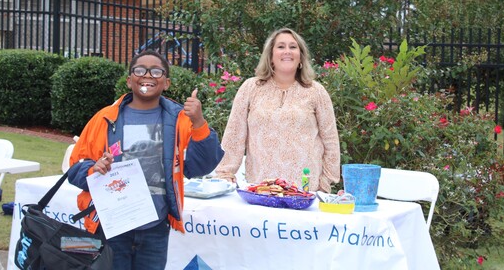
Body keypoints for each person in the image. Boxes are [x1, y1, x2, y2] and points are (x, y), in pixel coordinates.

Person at [68, 50, 223, 270]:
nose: (148, 75)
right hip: (111, 226)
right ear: (130, 80)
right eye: (140, 70)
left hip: (155, 227)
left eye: (156, 71)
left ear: (166, 82)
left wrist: (198, 122)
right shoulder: (104, 118)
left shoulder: (180, 120)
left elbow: (201, 166)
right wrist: (94, 169)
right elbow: (75, 168)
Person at [214, 28, 341, 192]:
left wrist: (324, 185)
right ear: (270, 56)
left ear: (301, 56)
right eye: (281, 46)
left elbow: (330, 141)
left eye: (293, 47)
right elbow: (234, 135)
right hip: (260, 192)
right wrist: (225, 173)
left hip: (305, 194)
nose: (287, 51)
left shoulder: (316, 91)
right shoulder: (251, 88)